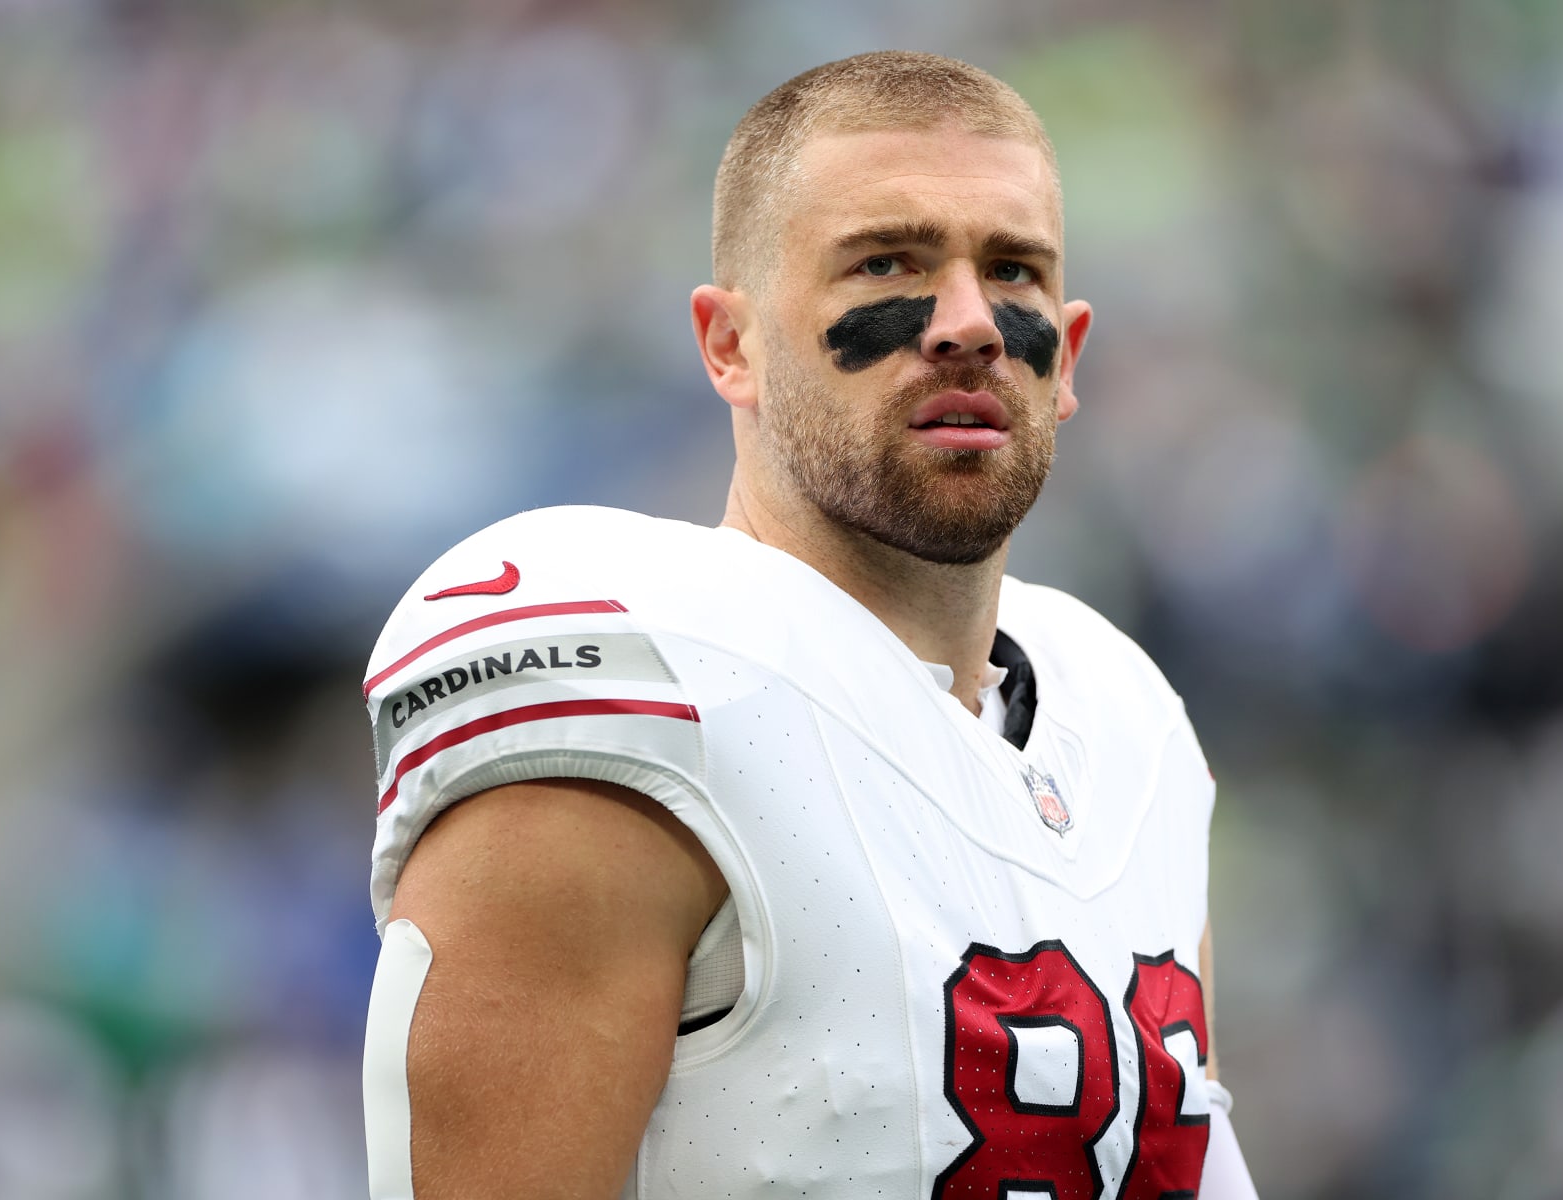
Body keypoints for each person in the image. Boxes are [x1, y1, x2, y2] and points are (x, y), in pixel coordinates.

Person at [359, 51, 1259, 1200]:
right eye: (889, 261)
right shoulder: (647, 685)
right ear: (730, 346)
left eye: (1014, 271)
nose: (970, 324)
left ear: (1068, 355)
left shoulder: (1127, 724)